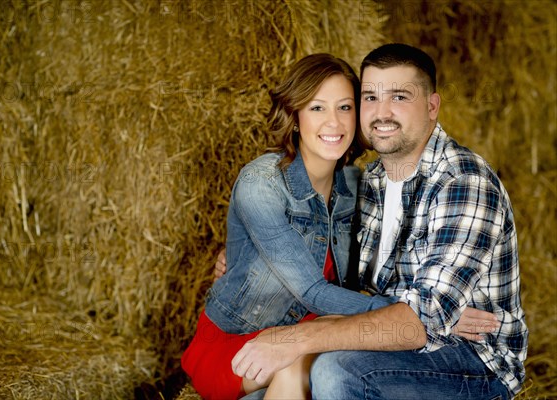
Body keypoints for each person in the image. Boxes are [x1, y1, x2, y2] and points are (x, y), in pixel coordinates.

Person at [183, 52, 499, 400]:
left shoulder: (360, 186)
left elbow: (387, 275)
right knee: (302, 366)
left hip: (313, 329)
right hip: (239, 339)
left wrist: (427, 314)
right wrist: (418, 321)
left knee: (311, 371)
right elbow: (311, 291)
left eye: (345, 107)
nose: (333, 122)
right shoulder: (262, 182)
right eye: (317, 108)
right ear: (295, 116)